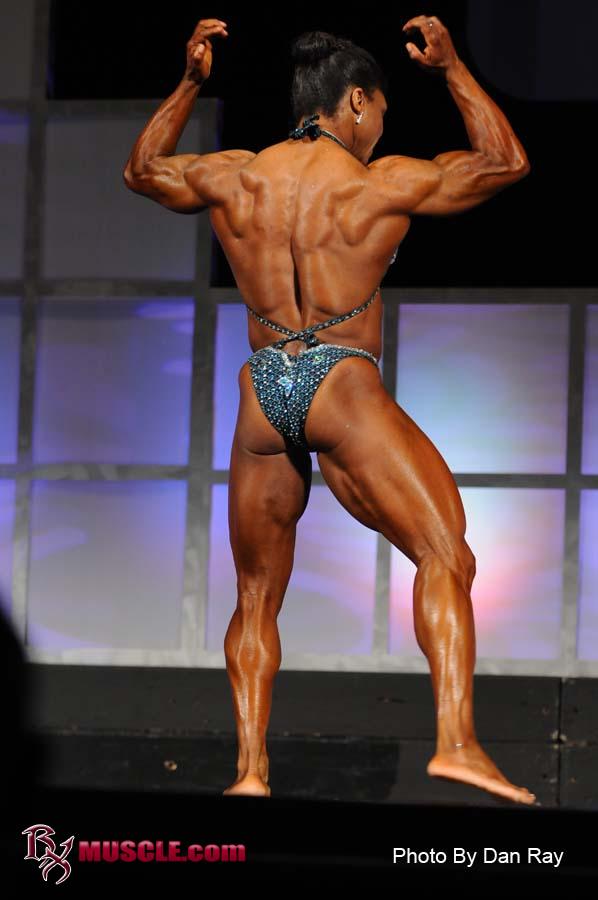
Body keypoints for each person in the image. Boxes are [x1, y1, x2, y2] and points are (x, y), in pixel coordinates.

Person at [123, 15, 535, 805]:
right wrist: (453, 70)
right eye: (380, 112)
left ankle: (250, 773)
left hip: (262, 391)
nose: (381, 130)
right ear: (355, 102)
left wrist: (188, 84)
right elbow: (504, 162)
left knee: (254, 596)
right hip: (340, 384)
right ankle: (458, 744)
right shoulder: (378, 183)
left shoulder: (237, 177)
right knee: (446, 555)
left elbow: (141, 171)